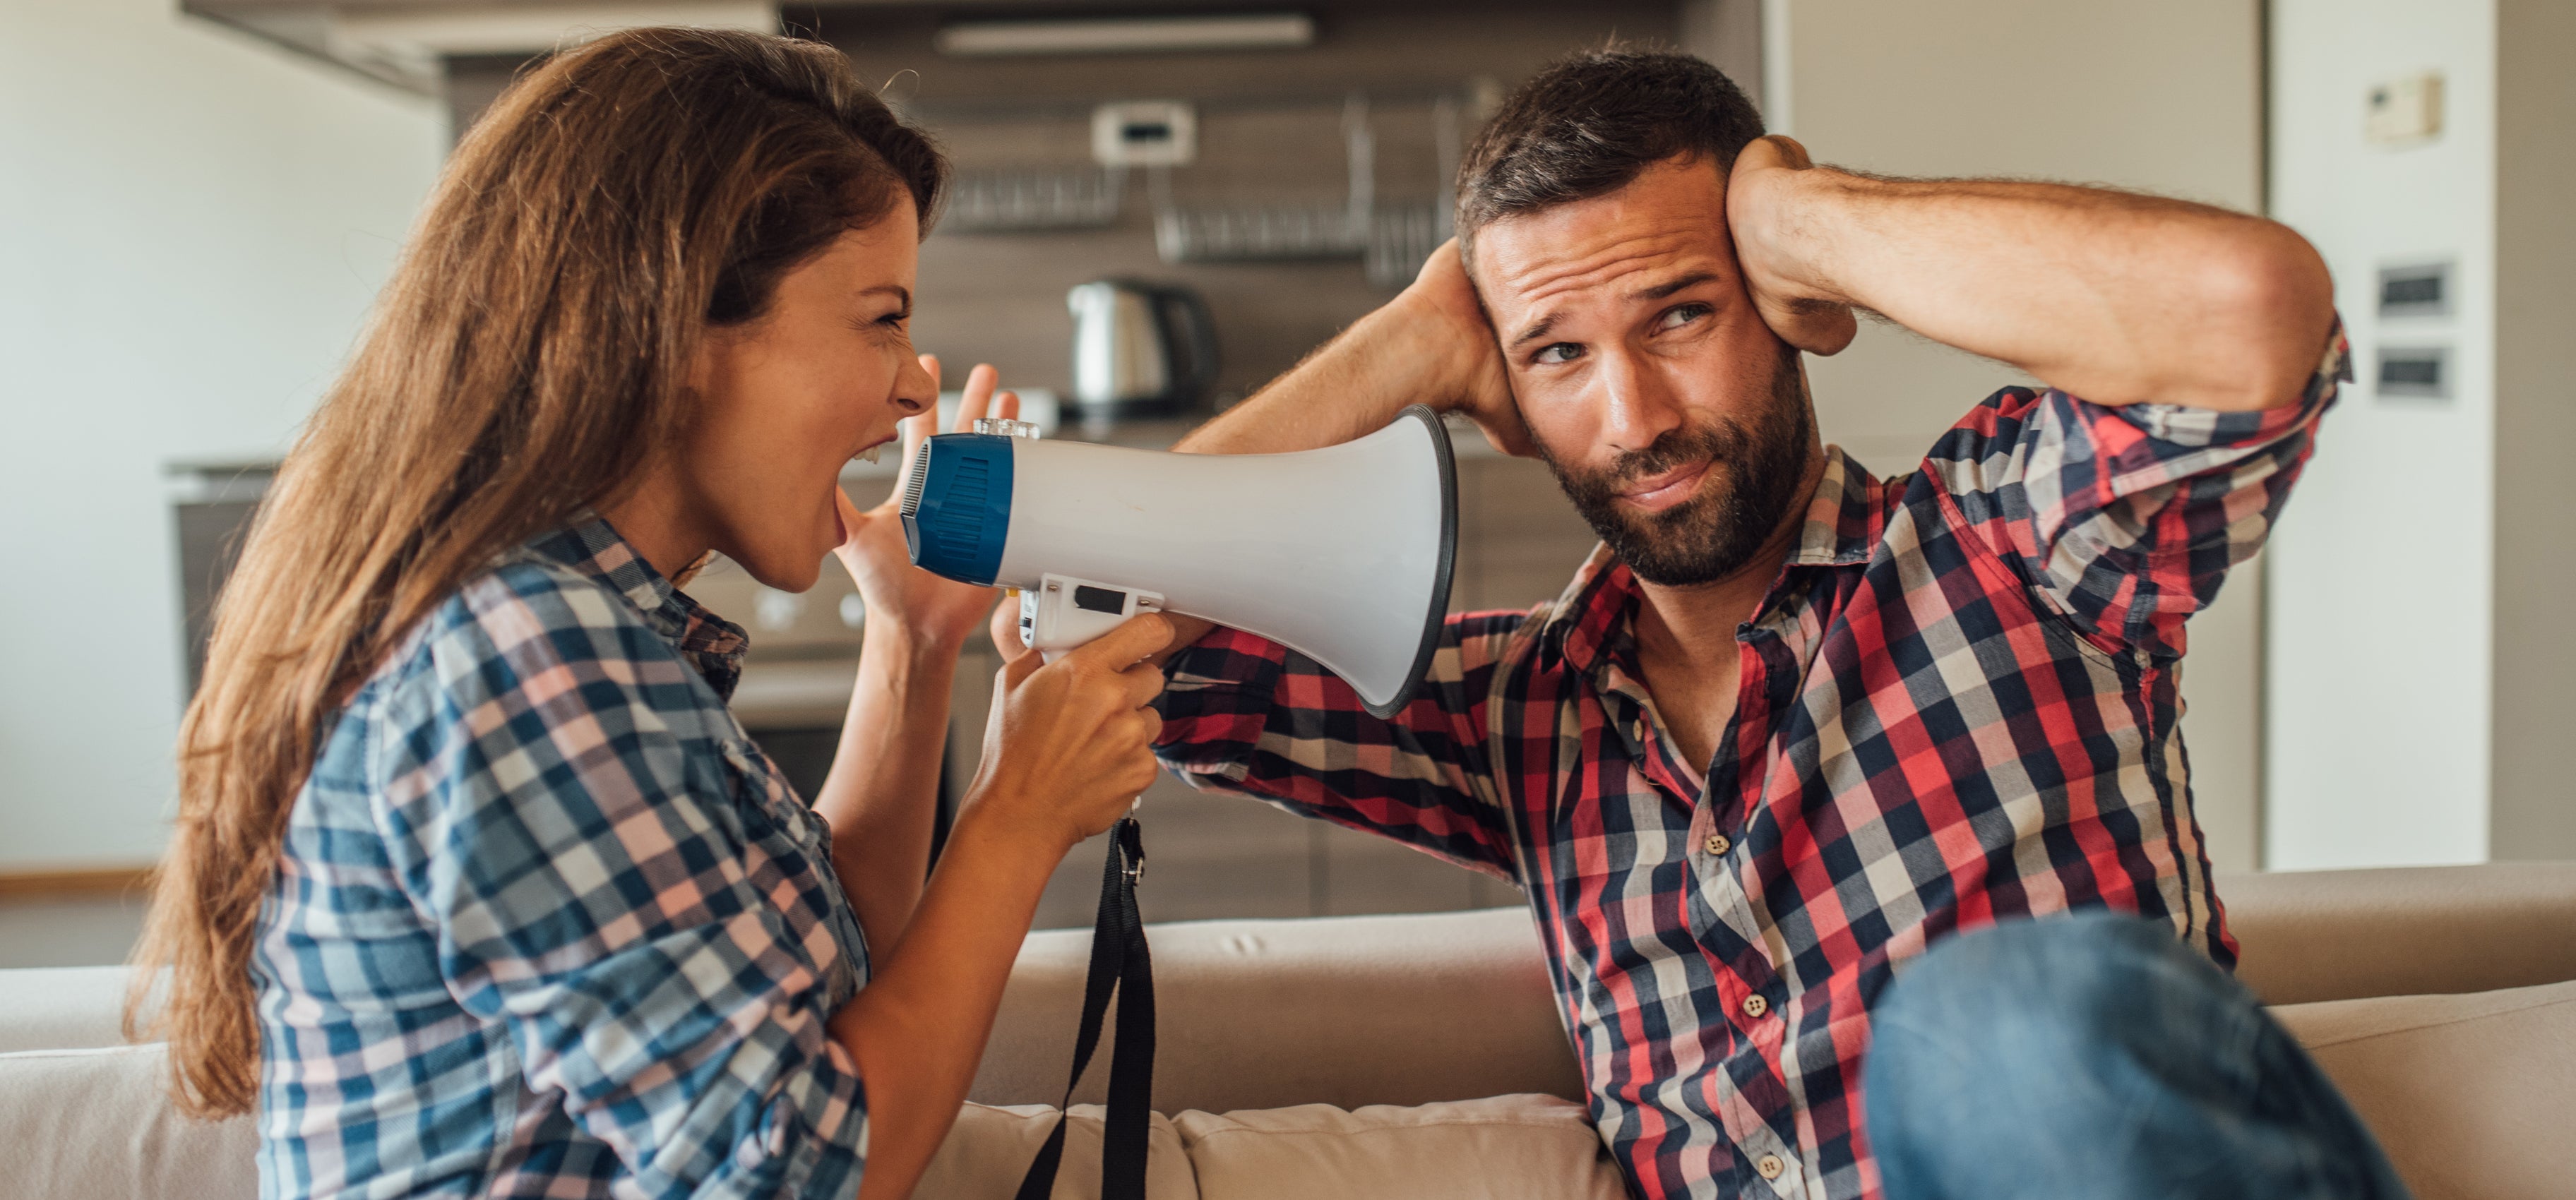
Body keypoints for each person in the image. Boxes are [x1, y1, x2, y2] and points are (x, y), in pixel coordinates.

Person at [1113, 47, 2408, 1200]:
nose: (1633, 420)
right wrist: (1408, 344)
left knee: (2004, 1008)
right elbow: (1113, 622)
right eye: (1557, 355)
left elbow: (2250, 316)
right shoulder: (1514, 711)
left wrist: (1808, 218)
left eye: (1680, 313)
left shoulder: (2006, 545)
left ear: (1780, 308)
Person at [126, 29, 1168, 1200]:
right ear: (674, 327)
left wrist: (914, 641)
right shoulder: (523, 658)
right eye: (880, 318)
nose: (917, 381)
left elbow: (830, 986)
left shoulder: (580, 627)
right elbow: (801, 1171)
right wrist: (1019, 820)